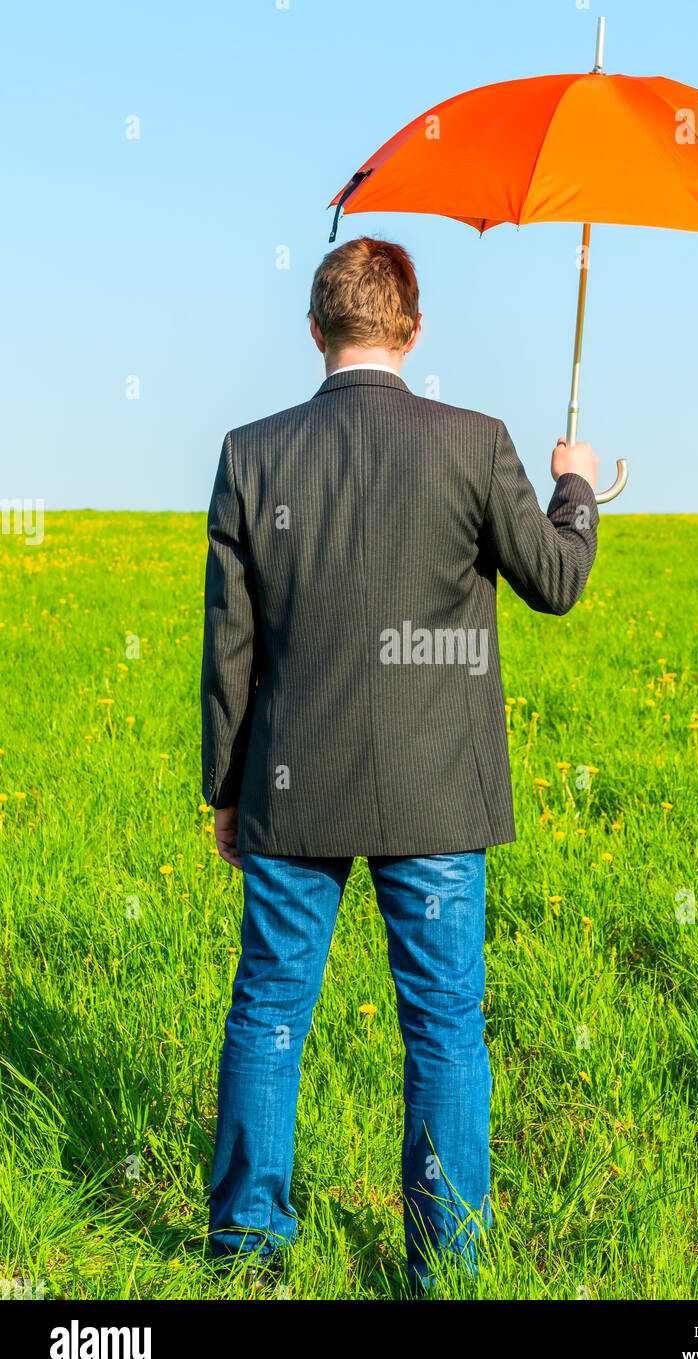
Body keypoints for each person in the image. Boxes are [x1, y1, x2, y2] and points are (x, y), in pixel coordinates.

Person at [201, 236, 600, 1295]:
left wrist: (227, 789)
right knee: (444, 1030)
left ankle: (244, 1252)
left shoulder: (250, 454)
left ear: (315, 331)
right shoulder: (475, 442)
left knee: (268, 1013)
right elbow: (556, 580)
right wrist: (576, 485)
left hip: (291, 788)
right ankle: (446, 1264)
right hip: (436, 797)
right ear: (412, 329)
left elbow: (228, 645)